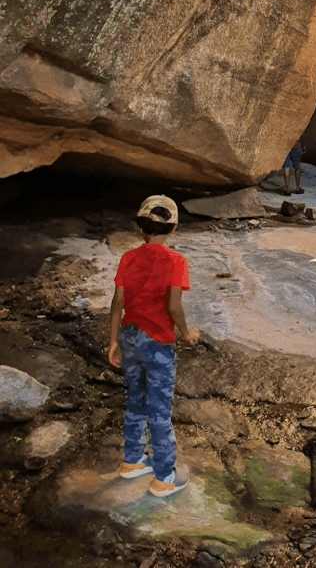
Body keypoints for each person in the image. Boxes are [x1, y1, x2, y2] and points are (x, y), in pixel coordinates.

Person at [108, 194, 199, 498]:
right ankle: (164, 477)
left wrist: (113, 341)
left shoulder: (127, 258)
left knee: (135, 399)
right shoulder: (177, 262)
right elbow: (174, 306)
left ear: (140, 228)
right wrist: (186, 333)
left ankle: (132, 461)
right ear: (173, 229)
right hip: (158, 342)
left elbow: (117, 303)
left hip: (130, 337)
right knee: (159, 410)